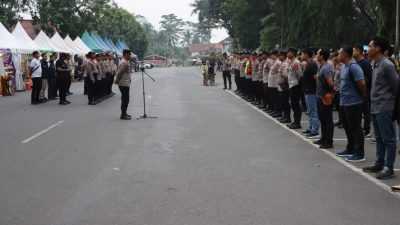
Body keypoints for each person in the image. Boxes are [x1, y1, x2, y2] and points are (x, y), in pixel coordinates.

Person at [363, 37, 399, 180]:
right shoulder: (375, 64)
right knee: (379, 137)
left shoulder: (387, 65)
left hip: (385, 107)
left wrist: (390, 103)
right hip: (375, 106)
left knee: (388, 138)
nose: (368, 49)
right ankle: (379, 162)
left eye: (370, 46)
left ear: (377, 49)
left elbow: (396, 86)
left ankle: (389, 168)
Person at [336, 46, 367, 162]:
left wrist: (362, 96)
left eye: (340, 53)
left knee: (355, 128)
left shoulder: (354, 67)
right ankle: (350, 148)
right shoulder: (344, 66)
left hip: (354, 102)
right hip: (344, 102)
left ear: (345, 54)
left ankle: (359, 153)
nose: (338, 55)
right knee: (348, 127)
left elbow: (362, 84)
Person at [314, 49, 335, 149]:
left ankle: (328, 141)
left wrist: (330, 94)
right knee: (322, 118)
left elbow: (330, 83)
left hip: (325, 96)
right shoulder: (321, 66)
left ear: (322, 56)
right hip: (320, 95)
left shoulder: (326, 68)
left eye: (318, 54)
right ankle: (323, 138)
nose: (316, 55)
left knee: (327, 119)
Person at [354, 45, 373, 137]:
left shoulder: (365, 63)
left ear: (358, 51)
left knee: (366, 111)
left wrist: (364, 87)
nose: (352, 52)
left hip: (364, 91)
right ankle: (360, 128)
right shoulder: (355, 63)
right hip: (356, 92)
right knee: (358, 112)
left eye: (354, 50)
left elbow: (369, 78)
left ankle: (367, 129)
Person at [301, 48, 320, 138]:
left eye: (302, 54)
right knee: (310, 111)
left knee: (313, 111)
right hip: (307, 90)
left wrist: (317, 90)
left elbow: (316, 78)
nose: (301, 56)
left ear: (306, 55)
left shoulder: (312, 64)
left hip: (312, 91)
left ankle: (314, 130)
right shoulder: (308, 64)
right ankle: (311, 127)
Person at [287, 48, 303, 129]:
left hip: (295, 86)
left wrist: (298, 85)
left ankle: (297, 122)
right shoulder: (291, 62)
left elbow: (299, 75)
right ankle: (295, 121)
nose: (287, 54)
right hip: (291, 85)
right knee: (293, 104)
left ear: (293, 53)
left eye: (289, 52)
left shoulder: (296, 63)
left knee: (296, 104)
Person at [115, 49, 133, 120]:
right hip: (123, 83)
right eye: (129, 54)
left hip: (125, 82)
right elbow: (120, 72)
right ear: (125, 54)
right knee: (125, 99)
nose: (130, 56)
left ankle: (124, 113)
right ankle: (123, 115)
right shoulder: (124, 63)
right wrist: (117, 80)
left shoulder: (125, 62)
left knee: (125, 99)